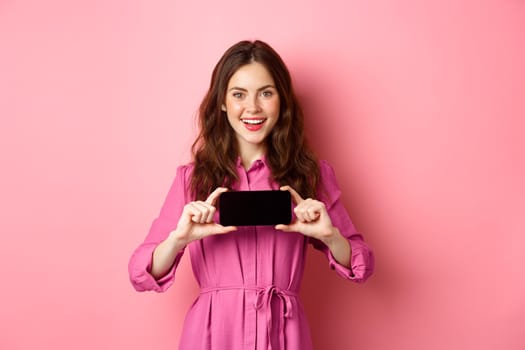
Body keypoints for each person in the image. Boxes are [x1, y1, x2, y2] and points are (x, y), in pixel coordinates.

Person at [128, 40, 374, 350]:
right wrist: (178, 239)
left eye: (266, 93)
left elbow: (362, 263)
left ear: (282, 101)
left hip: (284, 335)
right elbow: (141, 272)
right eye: (239, 94)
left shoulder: (311, 176)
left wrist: (330, 236)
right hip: (212, 336)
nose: (253, 108)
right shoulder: (192, 179)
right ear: (222, 102)